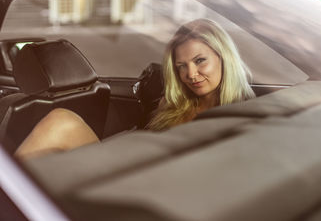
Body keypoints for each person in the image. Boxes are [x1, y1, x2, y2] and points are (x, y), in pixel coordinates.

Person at [15, 18, 255, 158]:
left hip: (159, 194)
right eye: (181, 66)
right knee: (60, 125)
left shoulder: (245, 113)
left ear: (224, 58)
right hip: (131, 171)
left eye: (200, 61)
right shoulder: (174, 104)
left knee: (61, 123)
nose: (190, 74)